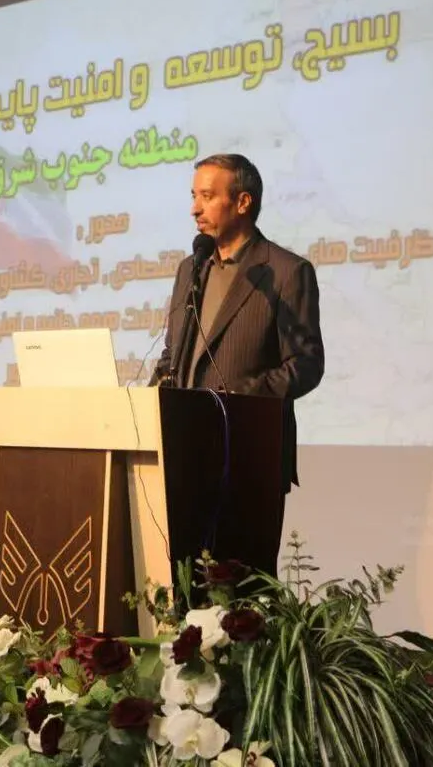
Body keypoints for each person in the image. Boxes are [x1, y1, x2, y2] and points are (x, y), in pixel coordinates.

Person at [150, 153, 325, 576]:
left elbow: (306, 362)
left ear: (243, 202)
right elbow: (174, 354)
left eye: (207, 196)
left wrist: (241, 400)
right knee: (181, 587)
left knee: (241, 592)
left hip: (249, 461)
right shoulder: (190, 270)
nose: (195, 208)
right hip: (182, 457)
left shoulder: (285, 271)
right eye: (194, 196)